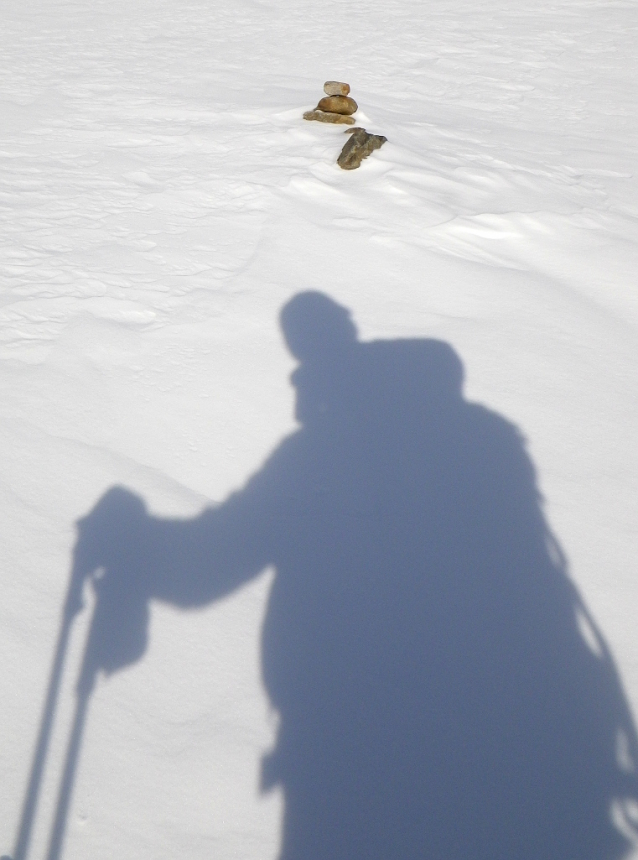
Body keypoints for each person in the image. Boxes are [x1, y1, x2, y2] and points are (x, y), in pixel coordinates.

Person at [75, 292, 638, 860]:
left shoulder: (324, 456)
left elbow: (208, 564)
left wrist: (127, 538)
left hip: (367, 766)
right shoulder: (486, 444)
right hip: (534, 760)